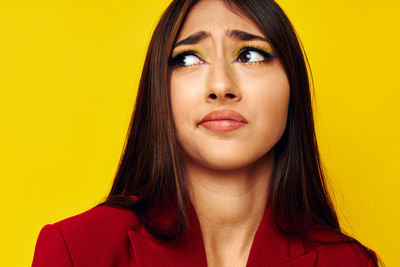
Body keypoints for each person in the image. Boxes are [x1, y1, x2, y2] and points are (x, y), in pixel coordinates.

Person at [32, 0, 380, 266]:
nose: (220, 86)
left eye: (250, 54)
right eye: (187, 59)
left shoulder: (351, 261)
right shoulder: (75, 250)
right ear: (159, 91)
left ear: (293, 86)